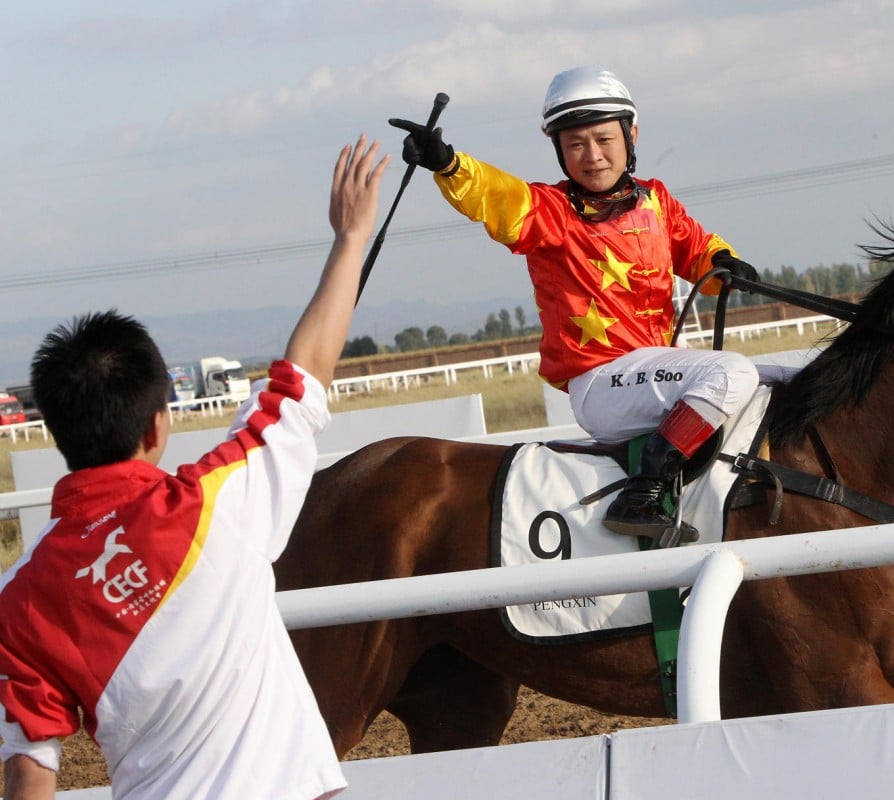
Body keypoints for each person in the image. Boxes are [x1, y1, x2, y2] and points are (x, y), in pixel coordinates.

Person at [0, 135, 390, 799]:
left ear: (59, 432)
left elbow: (29, 772)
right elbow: (302, 380)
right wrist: (351, 237)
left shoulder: (21, 599)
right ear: (159, 424)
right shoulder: (219, 500)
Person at [392, 65, 761, 544]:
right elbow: (497, 196)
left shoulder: (657, 201)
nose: (592, 157)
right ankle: (643, 492)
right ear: (559, 151)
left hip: (654, 371)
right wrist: (448, 163)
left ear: (632, 135)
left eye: (604, 139)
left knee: (781, 380)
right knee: (733, 374)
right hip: (602, 385)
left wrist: (724, 261)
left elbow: (695, 249)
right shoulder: (549, 212)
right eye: (575, 145)